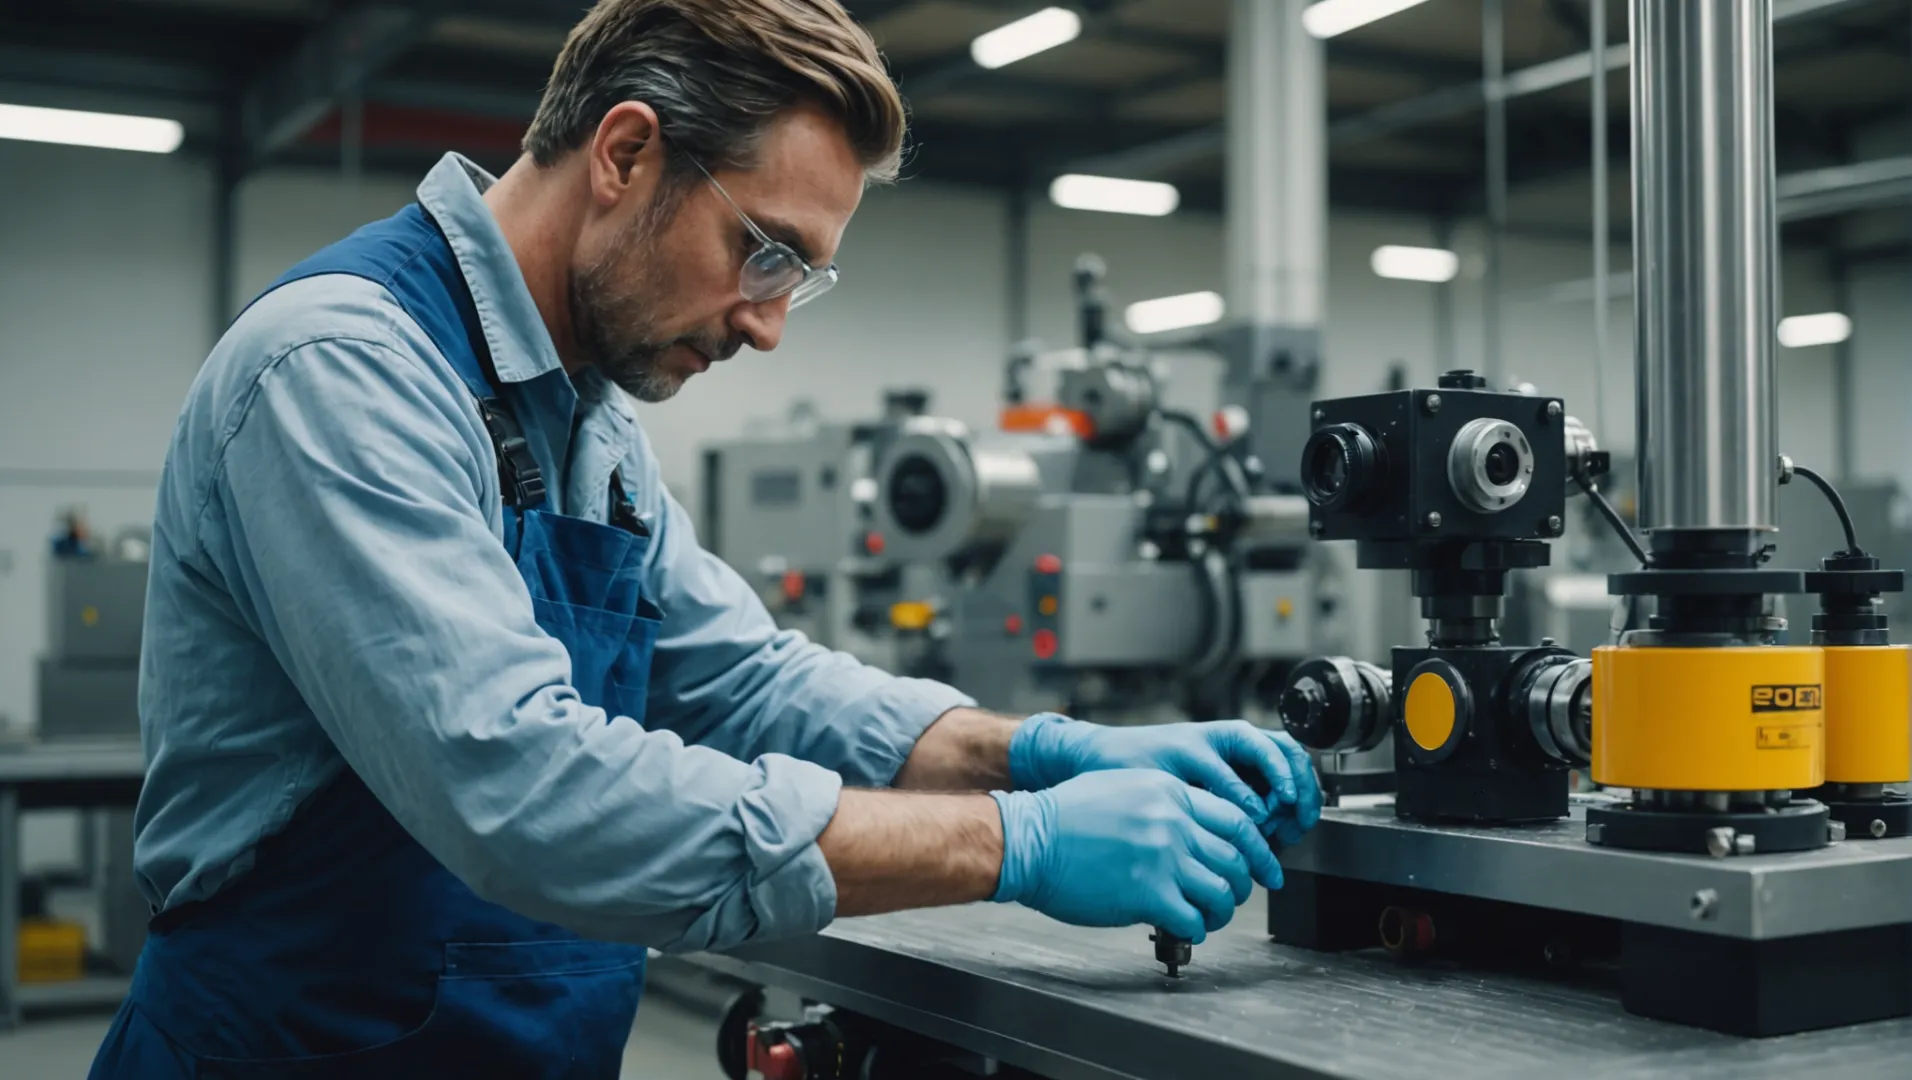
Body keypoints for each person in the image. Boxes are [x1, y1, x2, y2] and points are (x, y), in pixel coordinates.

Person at [88, 1, 1321, 1076]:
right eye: (765, 251)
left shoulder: (591, 421)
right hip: (289, 1052)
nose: (769, 323)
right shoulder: (346, 370)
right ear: (625, 152)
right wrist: (1015, 844)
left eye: (800, 277)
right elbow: (517, 786)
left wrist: (1036, 754)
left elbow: (740, 681)